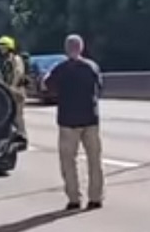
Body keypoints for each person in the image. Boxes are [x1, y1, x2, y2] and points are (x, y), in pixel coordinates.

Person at [42, 34, 104, 211]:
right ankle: (95, 197)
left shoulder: (60, 69)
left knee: (69, 161)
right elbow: (99, 88)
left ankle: (74, 198)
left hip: (68, 121)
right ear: (81, 48)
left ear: (66, 49)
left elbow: (48, 87)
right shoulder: (92, 67)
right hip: (90, 119)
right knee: (94, 160)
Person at [0, 36, 28, 150]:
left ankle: (22, 138)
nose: (0, 49)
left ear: (8, 47)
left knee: (18, 116)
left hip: (17, 91)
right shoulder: (6, 61)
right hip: (10, 91)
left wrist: (11, 87)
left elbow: (18, 73)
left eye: (2, 47)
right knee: (11, 116)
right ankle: (14, 137)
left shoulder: (15, 59)